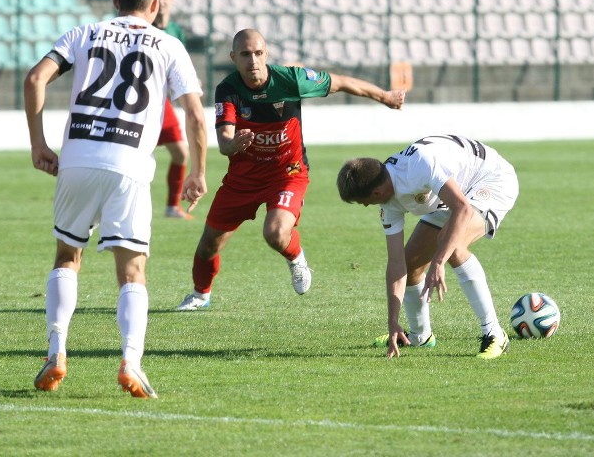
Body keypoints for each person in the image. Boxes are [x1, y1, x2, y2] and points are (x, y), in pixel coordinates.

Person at [24, 0, 207, 398]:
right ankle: (130, 361)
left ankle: (56, 352)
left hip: (77, 159)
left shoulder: (82, 33)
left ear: (115, 0)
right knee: (132, 269)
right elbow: (196, 115)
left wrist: (39, 144)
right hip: (129, 165)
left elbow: (35, 79)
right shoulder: (168, 44)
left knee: (68, 255)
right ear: (156, 3)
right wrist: (198, 171)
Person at [176, 28, 405, 311]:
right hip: (243, 178)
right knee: (208, 245)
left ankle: (296, 258)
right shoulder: (228, 89)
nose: (253, 61)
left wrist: (385, 97)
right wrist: (234, 143)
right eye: (245, 55)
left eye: (258, 53)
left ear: (266, 54)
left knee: (274, 233)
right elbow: (224, 142)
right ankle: (200, 295)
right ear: (234, 57)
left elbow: (342, 82)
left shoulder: (291, 80)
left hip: (288, 174)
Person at [336, 134, 519, 360]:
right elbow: (396, 263)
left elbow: (462, 209)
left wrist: (439, 261)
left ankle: (494, 333)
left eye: (362, 201)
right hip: (455, 195)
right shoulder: (388, 201)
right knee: (412, 261)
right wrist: (392, 321)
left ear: (375, 192)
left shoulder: (420, 165)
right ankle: (420, 336)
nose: (364, 206)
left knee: (453, 245)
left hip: (491, 178)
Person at [153, 0, 193, 219]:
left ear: (172, 0)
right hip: (145, 100)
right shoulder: (145, 27)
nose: (163, 1)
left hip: (162, 102)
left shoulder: (176, 31)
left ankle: (172, 207)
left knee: (180, 153)